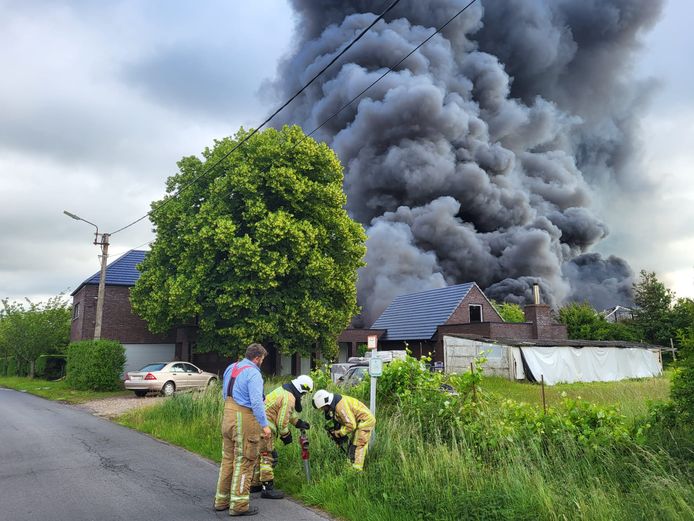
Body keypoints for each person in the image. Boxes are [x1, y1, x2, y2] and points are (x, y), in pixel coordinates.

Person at [214, 343, 272, 517]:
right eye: (262, 359)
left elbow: (225, 393)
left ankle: (221, 501)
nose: (261, 362)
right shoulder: (253, 372)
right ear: (257, 358)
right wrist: (265, 425)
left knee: (227, 460)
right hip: (243, 418)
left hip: (227, 415)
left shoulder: (231, 367)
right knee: (245, 461)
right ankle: (239, 506)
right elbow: (256, 402)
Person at [250, 374, 313, 499]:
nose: (303, 396)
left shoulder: (283, 391)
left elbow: (284, 412)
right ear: (302, 389)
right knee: (268, 456)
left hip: (256, 424)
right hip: (265, 428)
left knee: (259, 456)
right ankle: (267, 488)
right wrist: (286, 435)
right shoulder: (290, 398)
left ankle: (255, 484)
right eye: (304, 394)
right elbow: (281, 422)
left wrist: (297, 422)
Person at [312, 390, 375, 471]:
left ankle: (357, 469)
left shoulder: (340, 406)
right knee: (353, 442)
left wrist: (339, 433)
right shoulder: (335, 402)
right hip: (358, 421)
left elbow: (351, 425)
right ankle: (350, 464)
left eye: (322, 408)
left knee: (359, 444)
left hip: (365, 421)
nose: (322, 410)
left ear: (326, 404)